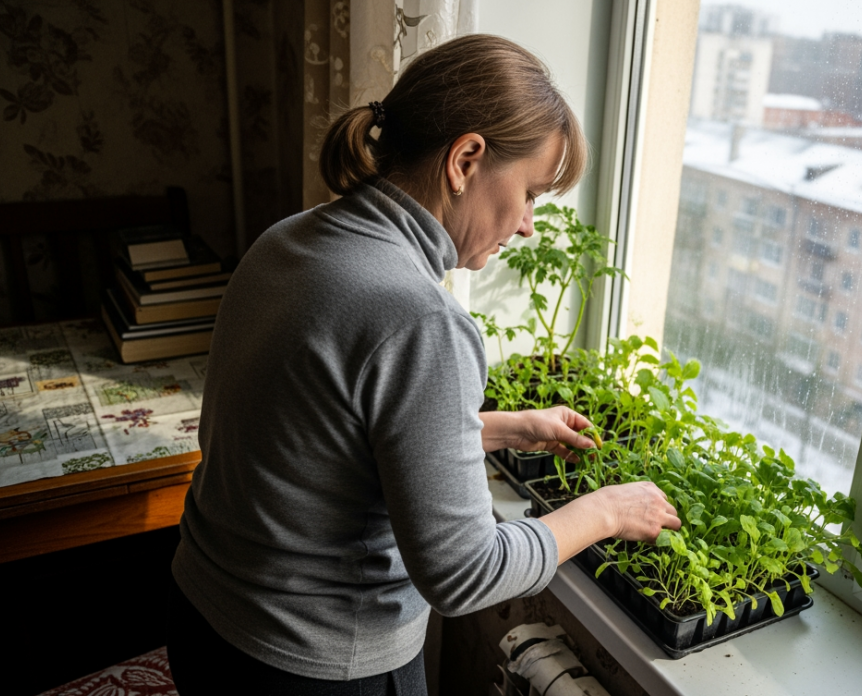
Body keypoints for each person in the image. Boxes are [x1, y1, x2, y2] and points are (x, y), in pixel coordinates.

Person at [167, 34, 681, 695]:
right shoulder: (419, 317)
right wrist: (605, 512)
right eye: (529, 193)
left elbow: (322, 437)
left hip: (205, 624)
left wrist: (501, 426)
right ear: (466, 159)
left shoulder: (287, 241)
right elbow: (465, 575)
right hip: (312, 668)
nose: (527, 224)